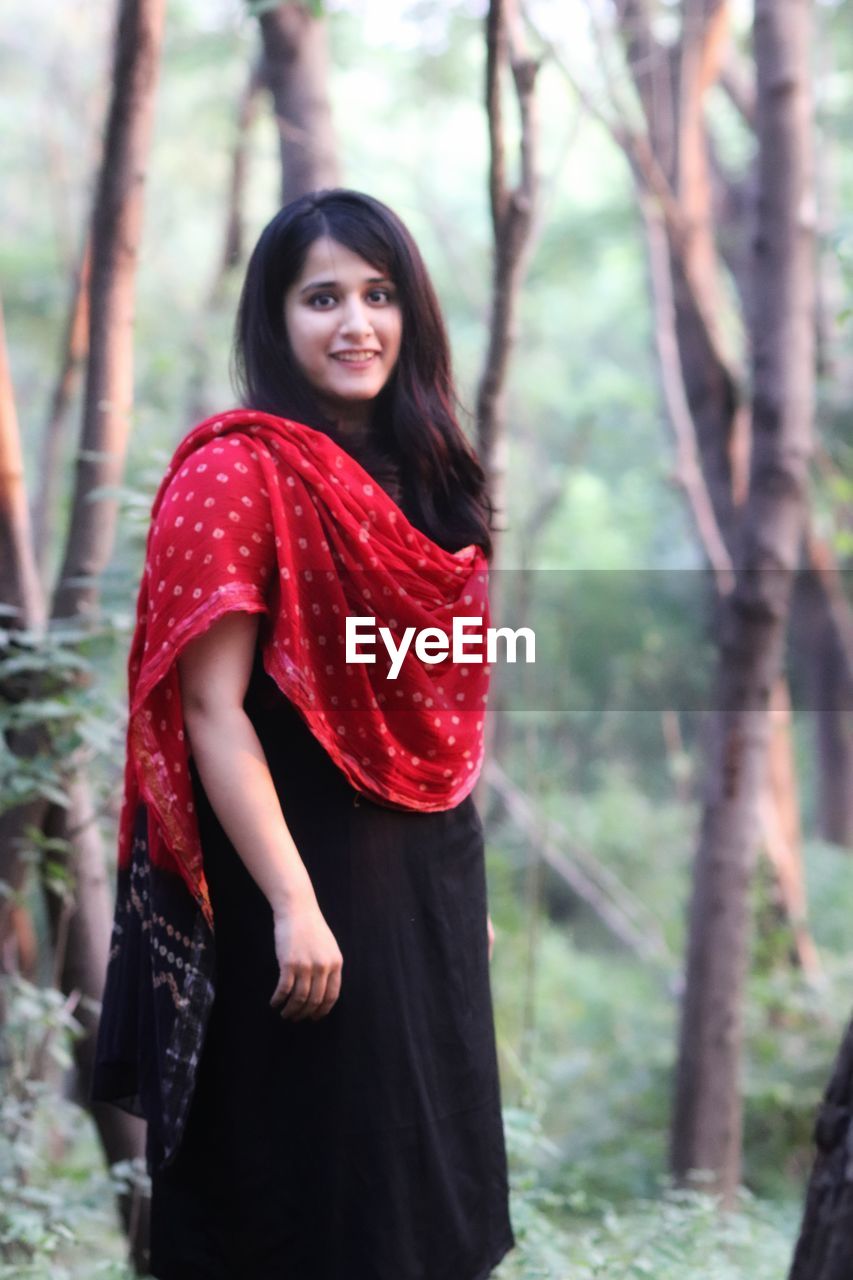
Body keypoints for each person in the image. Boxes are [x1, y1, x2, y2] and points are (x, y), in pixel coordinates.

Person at [92, 188, 515, 1279]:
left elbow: (428, 716)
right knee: (307, 1190)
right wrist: (292, 903)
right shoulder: (236, 473)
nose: (355, 323)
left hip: (421, 879)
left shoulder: (431, 479)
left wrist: (456, 906)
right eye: (321, 297)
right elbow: (208, 707)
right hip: (296, 883)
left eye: (378, 294)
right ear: (274, 321)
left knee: (426, 1190)